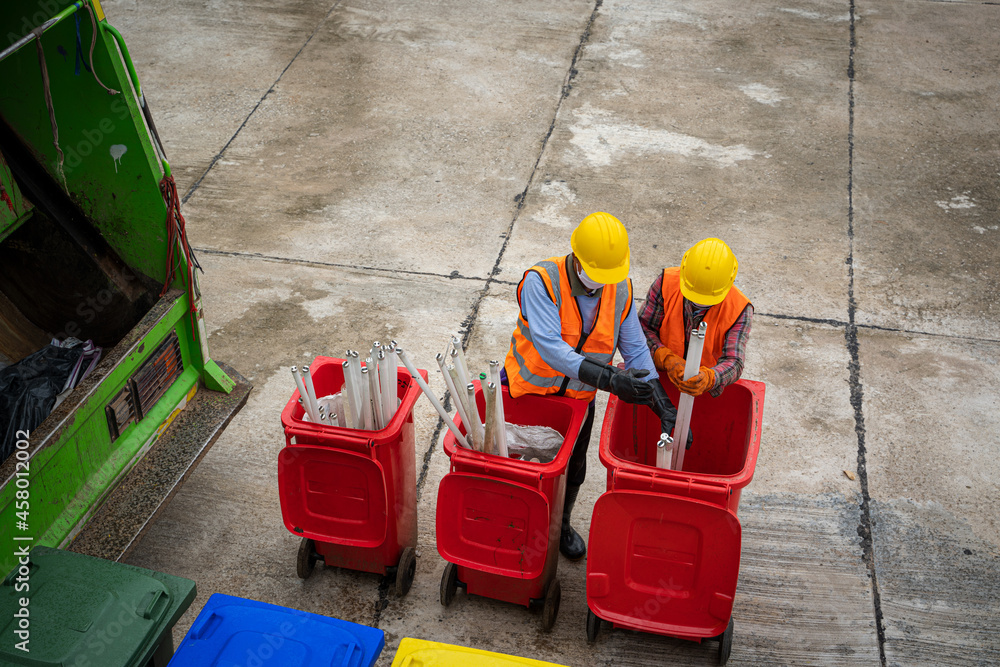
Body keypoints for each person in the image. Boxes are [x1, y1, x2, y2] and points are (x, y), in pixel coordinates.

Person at [503, 212, 681, 561]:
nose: (601, 283)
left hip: (577, 401)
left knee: (575, 468)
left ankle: (559, 527)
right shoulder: (542, 281)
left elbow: (634, 349)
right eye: (597, 274)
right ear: (577, 258)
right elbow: (551, 348)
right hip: (527, 394)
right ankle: (516, 525)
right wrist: (611, 380)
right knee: (522, 467)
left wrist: (660, 401)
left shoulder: (621, 288)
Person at [639, 238, 753, 398]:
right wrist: (666, 358)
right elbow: (642, 329)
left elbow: (734, 361)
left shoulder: (739, 309)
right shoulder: (666, 283)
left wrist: (710, 378)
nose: (699, 301)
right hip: (659, 378)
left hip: (703, 393)